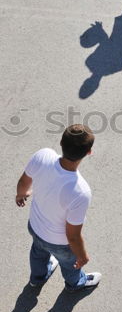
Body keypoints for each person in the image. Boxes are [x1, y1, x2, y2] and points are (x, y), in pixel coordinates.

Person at [15, 124, 102, 292]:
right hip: (59, 242)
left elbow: (24, 182)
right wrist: (82, 256)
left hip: (34, 226)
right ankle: (75, 283)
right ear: (88, 152)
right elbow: (73, 236)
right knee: (70, 265)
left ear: (61, 142)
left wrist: (21, 194)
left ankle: (36, 279)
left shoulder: (43, 155)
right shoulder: (80, 191)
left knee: (38, 253)